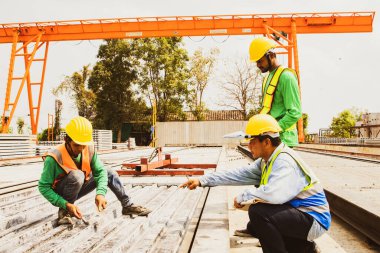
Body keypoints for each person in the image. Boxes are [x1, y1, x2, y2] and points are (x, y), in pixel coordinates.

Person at [180, 114, 330, 253]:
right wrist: (202, 180)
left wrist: (243, 196)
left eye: (252, 142)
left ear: (266, 142)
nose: (249, 146)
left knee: (259, 213)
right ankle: (306, 249)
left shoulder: (284, 162)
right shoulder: (267, 161)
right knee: (255, 226)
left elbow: (273, 195)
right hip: (301, 214)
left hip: (314, 219)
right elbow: (237, 175)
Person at [38, 116, 151, 225]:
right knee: (78, 176)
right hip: (63, 192)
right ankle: (65, 212)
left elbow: (101, 171)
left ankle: (127, 206)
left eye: (83, 145)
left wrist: (100, 193)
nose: (81, 149)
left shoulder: (88, 148)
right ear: (66, 140)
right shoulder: (54, 157)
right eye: (77, 145)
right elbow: (43, 187)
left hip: (80, 184)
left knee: (109, 172)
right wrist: (65, 204)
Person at [250, 37, 302, 147]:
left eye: (260, 61)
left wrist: (274, 129)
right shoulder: (267, 78)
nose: (258, 65)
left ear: (271, 56)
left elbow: (295, 112)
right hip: (270, 139)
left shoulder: (286, 77)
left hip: (284, 140)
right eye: (256, 62)